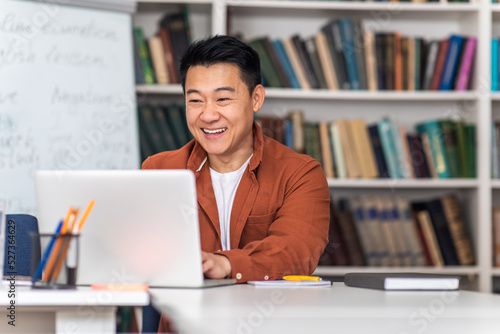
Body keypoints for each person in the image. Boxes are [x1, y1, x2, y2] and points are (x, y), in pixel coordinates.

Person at [142, 33, 329, 295]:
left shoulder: (300, 173)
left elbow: (297, 251)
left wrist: (226, 263)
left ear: (256, 99)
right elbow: (140, 255)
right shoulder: (158, 171)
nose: (207, 115)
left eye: (223, 99)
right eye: (195, 100)